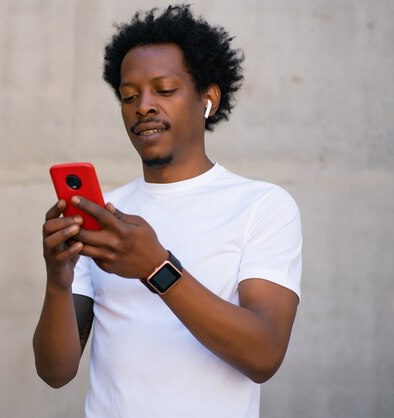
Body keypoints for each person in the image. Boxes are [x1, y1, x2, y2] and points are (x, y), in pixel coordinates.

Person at [33, 4, 302, 417]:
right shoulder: (107, 214)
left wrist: (156, 267)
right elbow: (55, 372)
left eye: (164, 89)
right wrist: (58, 281)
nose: (143, 106)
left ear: (208, 100)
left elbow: (264, 354)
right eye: (128, 95)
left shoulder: (262, 206)